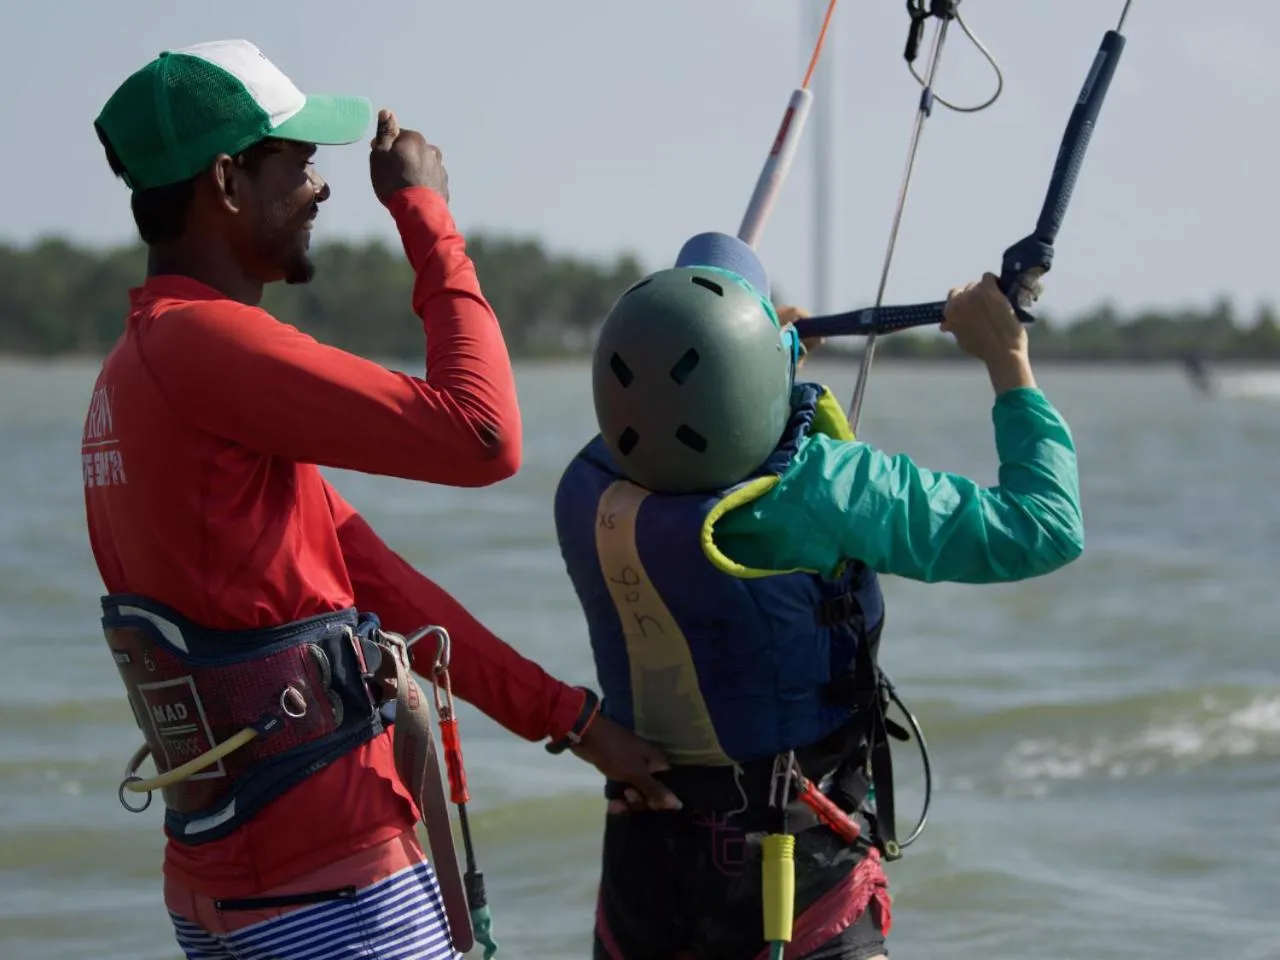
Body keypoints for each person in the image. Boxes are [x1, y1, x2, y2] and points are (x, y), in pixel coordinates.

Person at [84, 39, 678, 960]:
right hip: (327, 890)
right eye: (298, 162)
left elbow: (381, 585)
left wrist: (572, 720)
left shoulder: (135, 371)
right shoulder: (206, 346)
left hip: (228, 889)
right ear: (227, 181)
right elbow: (484, 434)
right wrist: (426, 216)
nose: (322, 187)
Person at [553, 231, 1085, 960]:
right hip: (799, 876)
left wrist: (748, 357)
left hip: (644, 880)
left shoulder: (589, 489)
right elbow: (1044, 526)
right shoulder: (827, 488)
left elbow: (677, 398)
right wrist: (1006, 358)